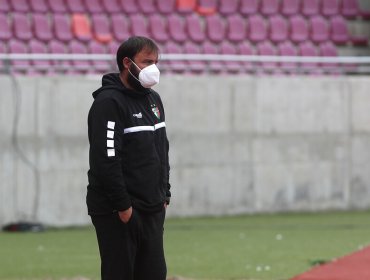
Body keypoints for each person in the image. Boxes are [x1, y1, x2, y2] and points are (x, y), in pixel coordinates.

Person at [86, 36, 171, 280]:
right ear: (127, 62)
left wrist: (165, 193)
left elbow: (161, 149)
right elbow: (106, 159)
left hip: (152, 207)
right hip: (119, 210)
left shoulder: (153, 100)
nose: (153, 68)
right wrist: (123, 206)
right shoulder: (108, 102)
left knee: (154, 273)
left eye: (156, 62)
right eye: (146, 62)